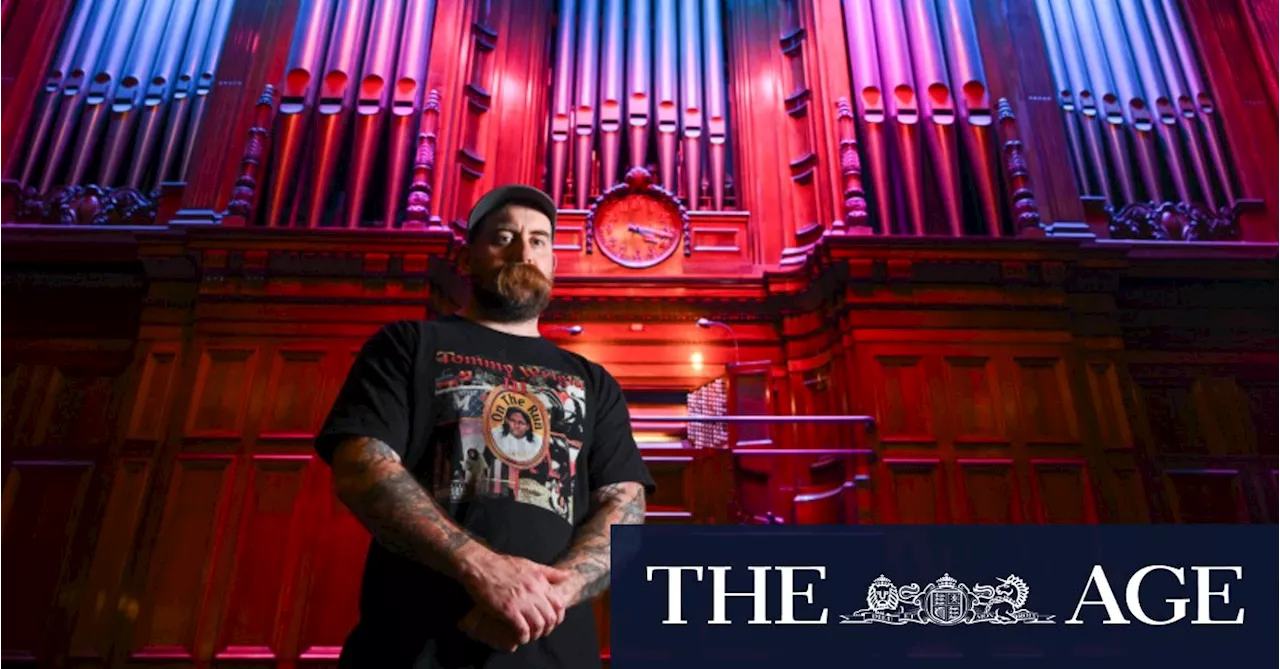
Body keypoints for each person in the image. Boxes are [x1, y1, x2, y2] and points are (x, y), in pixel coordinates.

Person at [314, 184, 655, 668]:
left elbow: (625, 505)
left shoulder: (592, 381)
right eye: (503, 237)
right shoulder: (409, 345)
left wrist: (549, 597)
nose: (524, 251)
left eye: (539, 240)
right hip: (413, 650)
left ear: (554, 262)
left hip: (554, 654)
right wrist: (483, 569)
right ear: (468, 258)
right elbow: (361, 467)